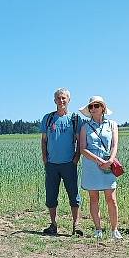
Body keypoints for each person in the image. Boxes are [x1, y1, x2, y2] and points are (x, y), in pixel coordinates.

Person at [79, 95, 122, 240]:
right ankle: (98, 229)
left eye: (96, 106)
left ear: (102, 108)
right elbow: (83, 149)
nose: (93, 109)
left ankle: (114, 229)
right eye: (90, 106)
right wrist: (97, 160)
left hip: (108, 164)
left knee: (111, 198)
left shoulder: (112, 125)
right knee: (93, 198)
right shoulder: (85, 127)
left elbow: (115, 145)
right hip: (91, 164)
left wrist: (110, 160)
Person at [40, 88, 83, 235]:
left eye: (64, 98)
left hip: (69, 164)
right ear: (54, 101)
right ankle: (53, 224)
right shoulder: (48, 118)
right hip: (52, 164)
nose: (61, 101)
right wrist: (45, 158)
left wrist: (77, 157)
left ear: (69, 100)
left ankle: (76, 225)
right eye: (58, 98)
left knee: (74, 195)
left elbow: (80, 141)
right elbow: (44, 140)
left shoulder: (75, 118)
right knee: (51, 196)